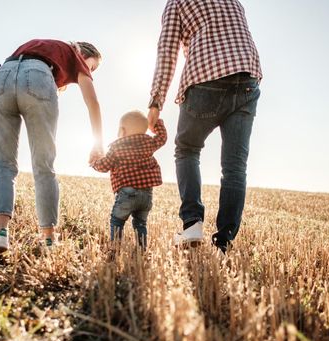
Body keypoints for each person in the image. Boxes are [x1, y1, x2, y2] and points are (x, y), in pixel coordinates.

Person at [147, 0, 262, 253]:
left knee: (187, 149)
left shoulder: (177, 2)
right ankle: (225, 241)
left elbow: (167, 52)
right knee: (234, 166)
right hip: (247, 78)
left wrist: (156, 101)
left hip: (205, 77)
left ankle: (192, 224)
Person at [0, 39, 104, 254]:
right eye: (91, 66)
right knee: (44, 166)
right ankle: (48, 241)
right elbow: (92, 101)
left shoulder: (45, 45)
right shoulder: (75, 55)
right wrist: (98, 143)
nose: (88, 71)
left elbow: (20, 65)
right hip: (38, 77)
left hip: (2, 76)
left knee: (3, 165)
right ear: (84, 54)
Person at [91, 111, 167, 250]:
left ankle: (115, 248)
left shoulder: (117, 148)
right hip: (146, 196)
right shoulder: (149, 143)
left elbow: (104, 166)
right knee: (140, 224)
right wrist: (156, 124)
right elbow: (162, 138)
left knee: (117, 221)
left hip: (127, 194)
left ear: (122, 130)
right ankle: (141, 249)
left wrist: (94, 162)